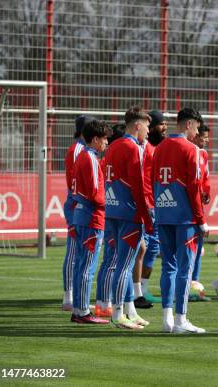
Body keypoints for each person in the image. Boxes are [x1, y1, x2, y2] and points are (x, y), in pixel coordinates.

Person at [152, 107, 209, 334]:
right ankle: (180, 320)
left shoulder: (158, 149)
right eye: (196, 127)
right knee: (185, 269)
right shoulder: (191, 150)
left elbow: (153, 180)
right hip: (185, 218)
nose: (197, 132)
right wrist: (201, 219)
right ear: (188, 124)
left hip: (163, 214)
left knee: (168, 266)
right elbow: (194, 187)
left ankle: (166, 319)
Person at [103, 107, 153, 330]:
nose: (148, 131)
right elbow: (139, 186)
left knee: (122, 263)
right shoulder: (134, 148)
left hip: (112, 211)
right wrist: (147, 217)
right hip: (129, 213)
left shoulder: (113, 146)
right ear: (137, 125)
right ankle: (117, 315)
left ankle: (129, 310)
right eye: (147, 126)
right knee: (123, 266)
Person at [70, 119, 109, 324]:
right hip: (92, 218)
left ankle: (79, 309)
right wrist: (109, 205)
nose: (106, 143)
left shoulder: (81, 156)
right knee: (87, 266)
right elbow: (96, 193)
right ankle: (83, 311)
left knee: (80, 266)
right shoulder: (91, 158)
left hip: (81, 215)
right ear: (95, 139)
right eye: (104, 139)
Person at [61, 115, 93, 311]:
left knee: (78, 252)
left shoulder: (81, 149)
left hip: (78, 205)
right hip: (76, 206)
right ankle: (68, 296)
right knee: (73, 252)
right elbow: (74, 184)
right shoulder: (78, 150)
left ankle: (73, 295)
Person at [95, 123, 126, 318]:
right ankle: (104, 303)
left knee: (111, 259)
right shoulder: (111, 161)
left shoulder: (104, 161)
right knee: (113, 259)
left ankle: (102, 301)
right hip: (113, 213)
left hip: (109, 212)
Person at [138, 110, 168, 305]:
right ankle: (136, 291)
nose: (164, 127)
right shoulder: (147, 149)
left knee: (152, 247)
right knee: (142, 248)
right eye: (160, 124)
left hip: (156, 204)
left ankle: (143, 289)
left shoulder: (157, 149)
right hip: (148, 205)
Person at [189, 123, 212, 302]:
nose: (206, 140)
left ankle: (194, 282)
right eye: (203, 137)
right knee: (190, 246)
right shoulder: (189, 152)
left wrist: (206, 192)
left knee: (198, 245)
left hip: (199, 205)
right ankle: (187, 282)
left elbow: (205, 178)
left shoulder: (203, 154)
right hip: (187, 207)